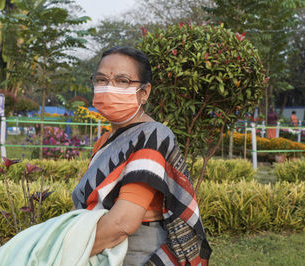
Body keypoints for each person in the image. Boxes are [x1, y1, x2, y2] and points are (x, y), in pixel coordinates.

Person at [72, 47, 211, 265]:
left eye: (122, 81)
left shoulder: (152, 136)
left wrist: (63, 251)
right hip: (99, 247)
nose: (109, 87)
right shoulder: (105, 140)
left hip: (133, 253)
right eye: (101, 79)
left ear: (144, 93)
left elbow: (122, 224)